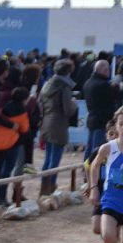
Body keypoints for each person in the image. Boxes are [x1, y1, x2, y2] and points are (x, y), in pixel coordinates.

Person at [86, 106, 123, 243]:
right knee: (108, 236)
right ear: (116, 126)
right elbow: (93, 165)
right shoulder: (109, 148)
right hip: (111, 200)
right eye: (122, 124)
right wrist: (93, 188)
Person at [38, 59, 77, 194]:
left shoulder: (48, 84)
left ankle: (44, 188)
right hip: (59, 124)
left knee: (48, 158)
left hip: (47, 122)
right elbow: (68, 110)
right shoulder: (64, 87)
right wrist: (74, 104)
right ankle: (51, 188)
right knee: (54, 160)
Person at [0, 87, 29, 206]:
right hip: (10, 143)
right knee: (6, 171)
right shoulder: (22, 111)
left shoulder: (4, 107)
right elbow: (25, 129)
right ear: (24, 99)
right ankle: (1, 196)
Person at [83, 60, 122, 163]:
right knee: (98, 151)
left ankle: (86, 171)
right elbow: (116, 94)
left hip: (91, 118)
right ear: (104, 70)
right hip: (102, 121)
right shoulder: (103, 85)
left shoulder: (88, 83)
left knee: (89, 149)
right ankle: (94, 173)